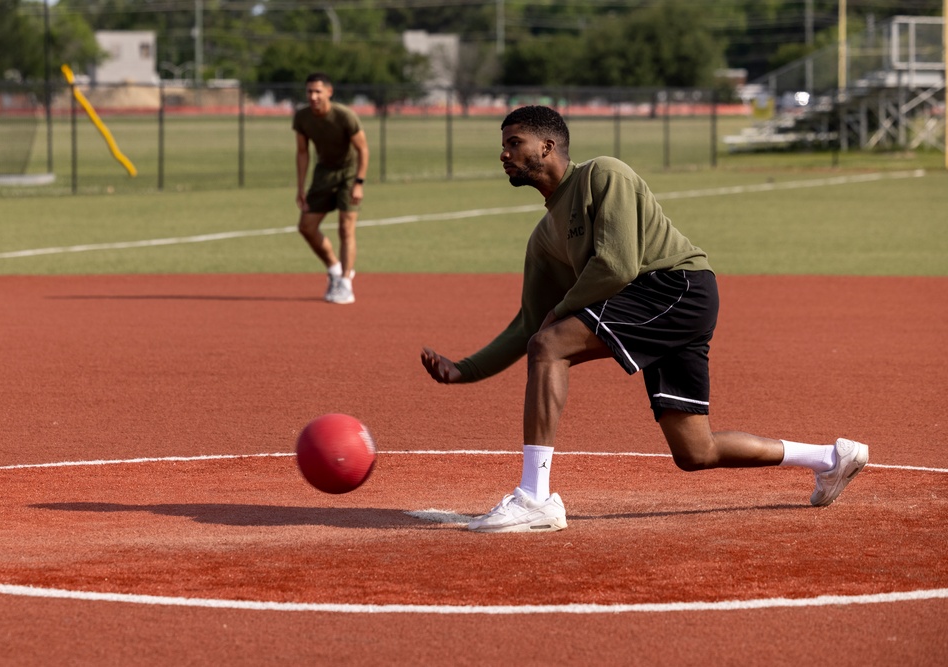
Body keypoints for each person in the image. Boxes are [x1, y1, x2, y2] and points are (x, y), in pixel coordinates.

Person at [420, 105, 868, 534]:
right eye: (503, 145)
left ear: (548, 146)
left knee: (551, 345)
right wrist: (465, 369)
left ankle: (535, 499)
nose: (504, 154)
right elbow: (528, 324)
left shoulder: (603, 174)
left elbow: (617, 266)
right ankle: (830, 459)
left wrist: (559, 316)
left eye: (514, 142)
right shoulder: (545, 238)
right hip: (657, 301)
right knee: (695, 450)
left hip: (677, 286)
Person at [293, 72, 369, 304]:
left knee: (346, 228)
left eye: (318, 91)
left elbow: (363, 150)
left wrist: (358, 182)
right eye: (309, 91)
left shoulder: (345, 116)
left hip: (347, 174)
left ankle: (346, 283)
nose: (313, 96)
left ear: (329, 91)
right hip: (323, 173)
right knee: (306, 226)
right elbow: (303, 152)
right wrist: (300, 187)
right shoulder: (302, 118)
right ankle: (335, 269)